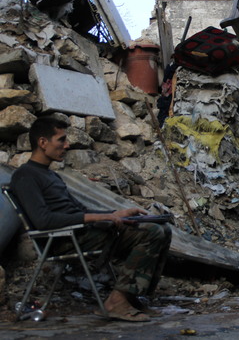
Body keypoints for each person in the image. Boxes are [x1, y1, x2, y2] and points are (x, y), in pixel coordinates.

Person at [10, 116, 171, 322]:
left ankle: (131, 298)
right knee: (152, 232)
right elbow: (43, 221)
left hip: (80, 233)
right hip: (63, 240)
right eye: (61, 140)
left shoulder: (52, 176)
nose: (67, 145)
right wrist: (101, 217)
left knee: (163, 229)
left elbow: (79, 209)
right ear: (42, 143)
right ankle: (116, 301)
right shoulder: (25, 176)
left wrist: (115, 214)